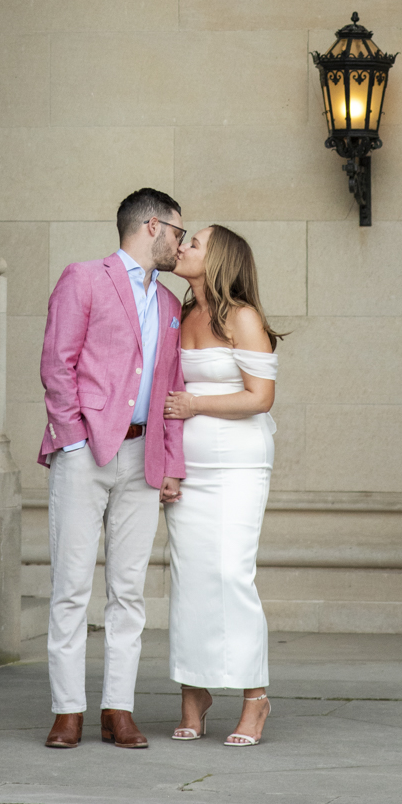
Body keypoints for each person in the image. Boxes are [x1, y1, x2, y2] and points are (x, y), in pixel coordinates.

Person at [38, 189, 188, 751]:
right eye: (178, 229)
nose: (180, 240)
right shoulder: (84, 278)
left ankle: (117, 708)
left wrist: (169, 463)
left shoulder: (172, 306)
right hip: (85, 454)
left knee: (128, 591)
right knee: (72, 587)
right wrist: (74, 441)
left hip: (143, 461)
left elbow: (173, 390)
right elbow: (58, 365)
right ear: (153, 226)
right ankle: (67, 709)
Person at [162, 225, 281, 748]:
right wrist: (168, 465)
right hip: (188, 468)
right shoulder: (180, 314)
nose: (183, 245)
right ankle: (195, 692)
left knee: (231, 572)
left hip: (238, 467)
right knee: (189, 578)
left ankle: (255, 697)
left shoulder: (243, 318)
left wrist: (195, 404)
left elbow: (260, 397)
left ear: (219, 258)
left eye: (195, 241)